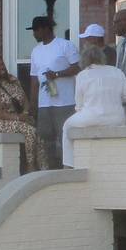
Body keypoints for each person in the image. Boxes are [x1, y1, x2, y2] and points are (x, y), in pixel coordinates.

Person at [61, 46, 126, 167]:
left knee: (67, 126)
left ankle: (69, 164)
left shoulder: (82, 75)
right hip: (117, 118)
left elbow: (79, 105)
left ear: (84, 61)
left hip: (91, 117)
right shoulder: (117, 71)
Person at [27, 15, 80, 170]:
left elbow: (77, 68)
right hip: (45, 103)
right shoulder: (35, 51)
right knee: (45, 138)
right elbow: (34, 80)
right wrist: (33, 104)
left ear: (46, 28)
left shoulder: (65, 45)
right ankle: (50, 170)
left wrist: (57, 74)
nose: (34, 34)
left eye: (36, 30)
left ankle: (68, 169)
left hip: (65, 101)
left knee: (65, 137)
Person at [0, 55, 45, 171]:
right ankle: (30, 166)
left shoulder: (13, 81)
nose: (1, 67)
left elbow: (25, 102)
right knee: (29, 131)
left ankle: (43, 167)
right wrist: (19, 118)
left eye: (2, 64)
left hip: (17, 119)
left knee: (39, 133)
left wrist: (25, 113)